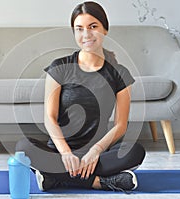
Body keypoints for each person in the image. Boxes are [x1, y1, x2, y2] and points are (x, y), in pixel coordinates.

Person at [16, 1, 146, 192]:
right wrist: (66, 153)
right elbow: (49, 117)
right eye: (79, 29)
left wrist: (96, 150)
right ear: (74, 32)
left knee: (135, 151)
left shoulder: (119, 73)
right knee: (24, 146)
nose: (86, 35)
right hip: (59, 151)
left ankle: (56, 177)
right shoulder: (60, 67)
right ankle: (99, 182)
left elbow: (121, 125)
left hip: (97, 154)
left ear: (105, 29)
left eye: (93, 27)